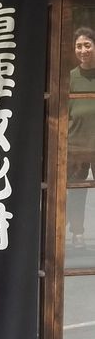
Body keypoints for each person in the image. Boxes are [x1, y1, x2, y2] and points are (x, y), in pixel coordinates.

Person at [67, 26, 95, 249]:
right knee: (77, 192)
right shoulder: (70, 77)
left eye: (87, 45)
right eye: (79, 46)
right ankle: (77, 233)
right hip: (76, 144)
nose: (83, 50)